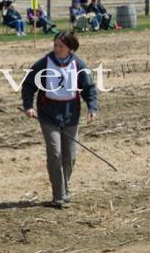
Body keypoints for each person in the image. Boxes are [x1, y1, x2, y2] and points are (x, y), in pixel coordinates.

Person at [22, 32, 98, 209]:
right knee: (55, 154)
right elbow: (28, 85)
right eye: (55, 45)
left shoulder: (78, 64)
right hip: (48, 116)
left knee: (69, 156)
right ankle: (58, 195)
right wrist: (28, 106)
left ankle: (65, 189)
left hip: (71, 116)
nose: (56, 49)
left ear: (70, 47)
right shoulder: (44, 63)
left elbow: (89, 88)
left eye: (60, 46)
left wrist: (92, 108)